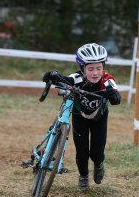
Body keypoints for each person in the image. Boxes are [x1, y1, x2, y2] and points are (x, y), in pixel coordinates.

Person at [42, 43, 122, 191]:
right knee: (82, 152)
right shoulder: (77, 78)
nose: (95, 73)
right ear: (82, 68)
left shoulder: (107, 80)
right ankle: (83, 176)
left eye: (99, 68)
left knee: (97, 153)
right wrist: (54, 75)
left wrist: (114, 95)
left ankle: (99, 164)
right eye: (90, 69)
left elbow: (116, 97)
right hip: (80, 117)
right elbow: (65, 80)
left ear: (103, 67)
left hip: (100, 118)